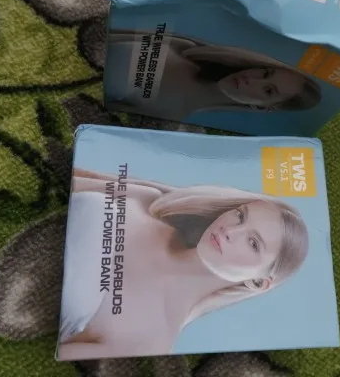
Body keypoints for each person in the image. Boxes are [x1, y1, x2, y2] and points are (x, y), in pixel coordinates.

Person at [57, 168, 309, 360]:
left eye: (253, 243)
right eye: (240, 215)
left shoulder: (151, 342)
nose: (231, 230)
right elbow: (57, 178)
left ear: (258, 282)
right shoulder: (150, 203)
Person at [106, 30, 321, 121]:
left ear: (266, 107)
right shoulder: (185, 48)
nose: (252, 79)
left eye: (268, 90)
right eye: (265, 73)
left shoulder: (173, 111)